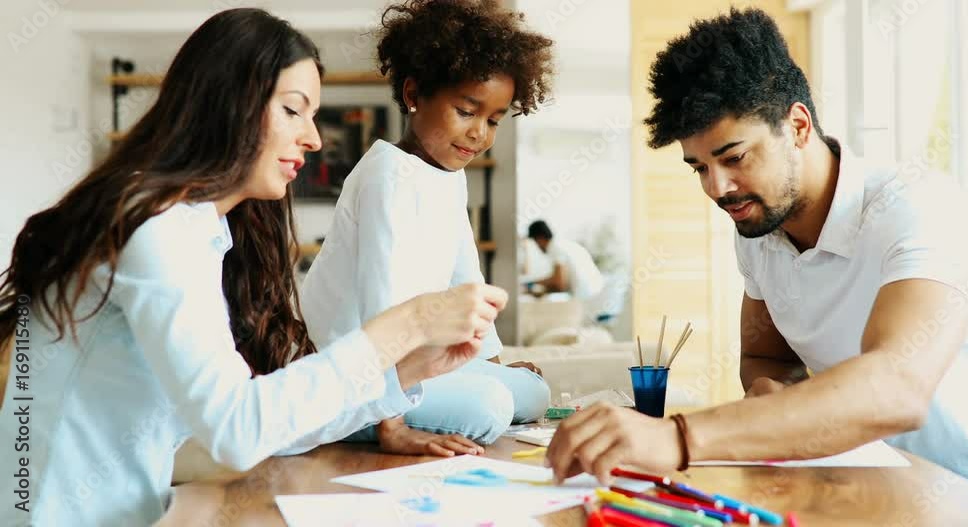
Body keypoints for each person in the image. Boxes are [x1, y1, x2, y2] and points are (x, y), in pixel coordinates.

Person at [0, 9, 507, 526]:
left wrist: (401, 374)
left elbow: (268, 425)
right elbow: (237, 432)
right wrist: (410, 323)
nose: (313, 138)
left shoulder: (206, 233)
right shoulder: (155, 229)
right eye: (293, 110)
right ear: (229, 105)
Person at [545, 7, 968, 492]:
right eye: (699, 168)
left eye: (735, 157)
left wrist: (678, 437)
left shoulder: (919, 206)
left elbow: (898, 388)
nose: (717, 188)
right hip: (864, 485)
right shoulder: (760, 231)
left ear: (798, 126)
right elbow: (767, 358)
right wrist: (775, 393)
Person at [300, 0, 553, 453]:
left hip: (413, 361)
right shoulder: (386, 175)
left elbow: (466, 277)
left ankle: (466, 391)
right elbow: (382, 306)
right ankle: (365, 420)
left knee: (533, 392)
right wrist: (393, 427)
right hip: (353, 372)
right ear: (414, 94)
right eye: (466, 111)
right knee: (491, 405)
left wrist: (494, 366)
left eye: (494, 120)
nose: (480, 133)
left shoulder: (448, 175)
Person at [526, 220, 605, 301]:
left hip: (586, 299)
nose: (537, 246)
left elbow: (559, 283)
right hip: (598, 294)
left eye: (535, 242)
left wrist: (532, 285)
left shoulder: (555, 248)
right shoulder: (565, 244)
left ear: (540, 238)